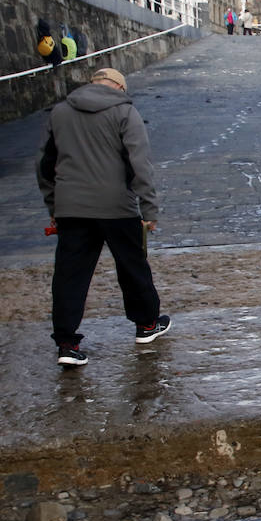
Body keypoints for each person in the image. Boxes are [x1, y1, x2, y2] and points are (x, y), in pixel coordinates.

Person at [36, 67, 170, 366]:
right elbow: (140, 163)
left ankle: (67, 344)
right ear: (119, 88)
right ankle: (147, 325)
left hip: (71, 208)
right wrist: (148, 209)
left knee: (70, 274)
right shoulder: (124, 111)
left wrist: (54, 208)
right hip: (116, 207)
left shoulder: (59, 112)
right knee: (132, 266)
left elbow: (45, 165)